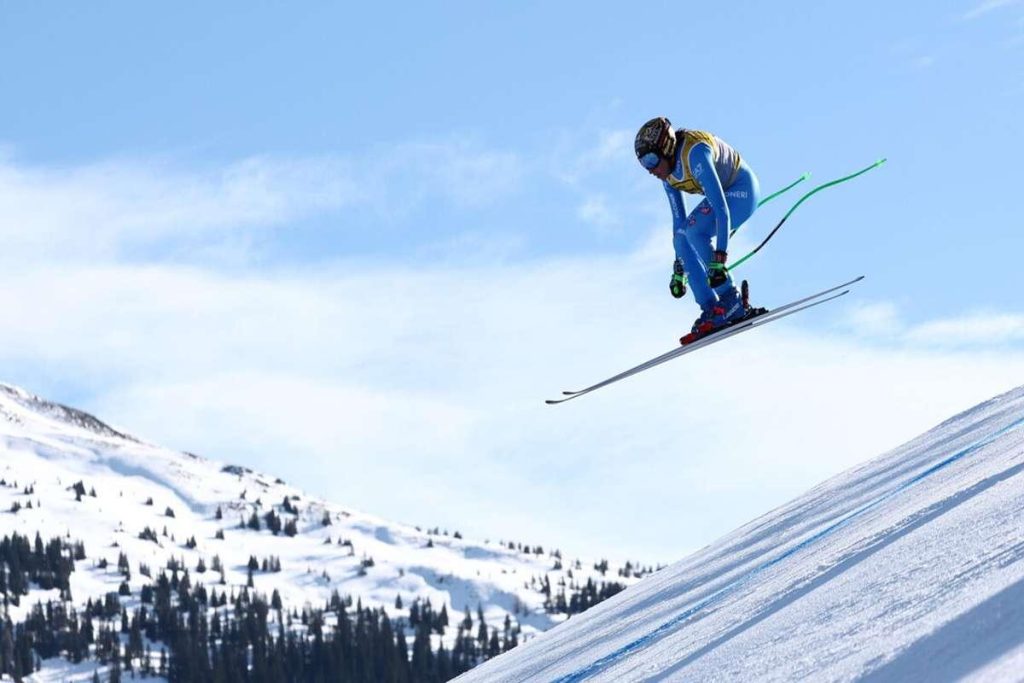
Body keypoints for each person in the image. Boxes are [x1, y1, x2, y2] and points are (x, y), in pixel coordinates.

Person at [634, 116, 764, 344]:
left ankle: (730, 301)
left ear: (665, 147)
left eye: (652, 160)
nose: (650, 170)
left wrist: (719, 259)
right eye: (644, 164)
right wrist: (679, 269)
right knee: (682, 238)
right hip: (723, 197)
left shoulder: (695, 154)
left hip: (741, 191)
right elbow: (678, 223)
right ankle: (711, 309)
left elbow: (721, 209)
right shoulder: (667, 176)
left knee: (695, 233)